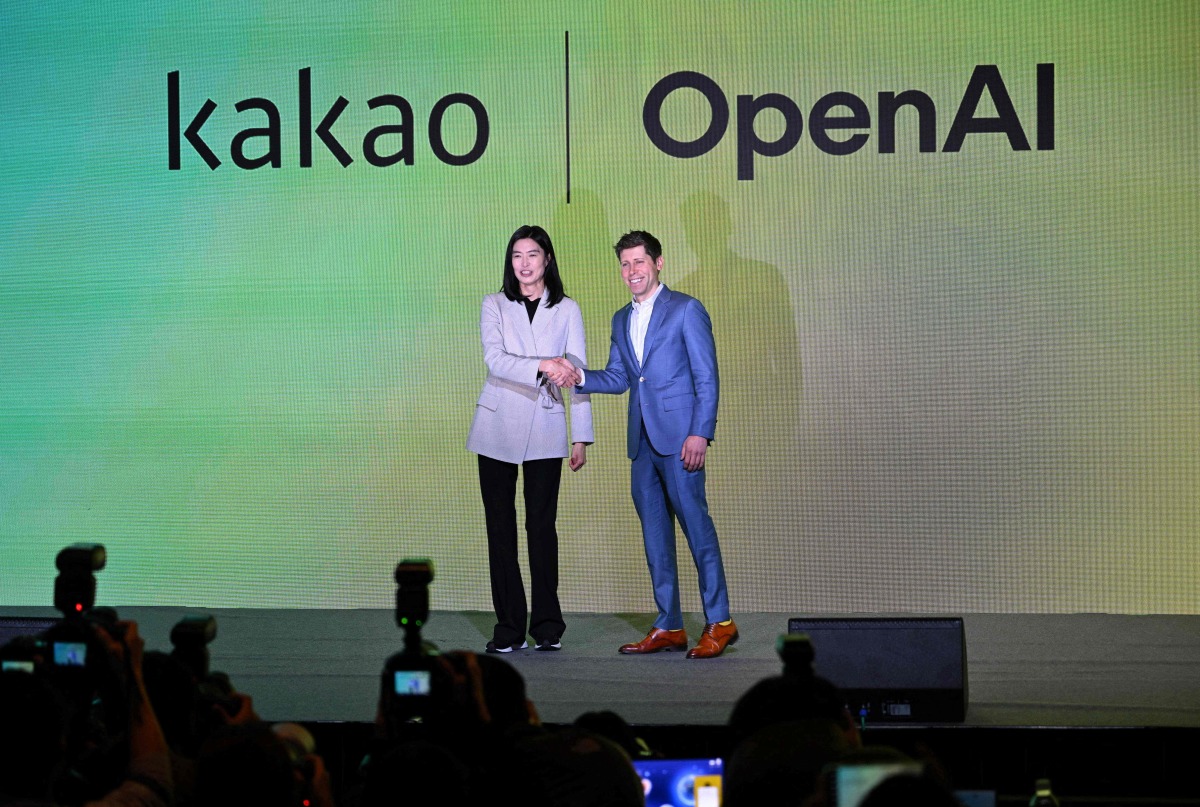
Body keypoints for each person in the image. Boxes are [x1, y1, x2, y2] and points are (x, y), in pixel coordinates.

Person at [567, 230, 736, 659]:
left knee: (697, 530)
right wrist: (578, 375)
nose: (631, 271)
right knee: (655, 538)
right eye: (625, 264)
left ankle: (720, 621)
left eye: (639, 262)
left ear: (658, 263)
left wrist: (700, 432)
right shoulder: (619, 319)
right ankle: (669, 625)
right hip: (641, 443)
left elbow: (706, 376)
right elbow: (620, 377)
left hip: (681, 441)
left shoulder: (686, 309)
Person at [466, 225, 593, 654]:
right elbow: (495, 359)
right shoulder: (494, 304)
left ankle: (547, 626)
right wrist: (544, 364)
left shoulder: (568, 308)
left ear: (547, 259)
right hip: (496, 425)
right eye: (517, 255)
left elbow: (577, 373)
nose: (524, 263)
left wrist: (582, 437)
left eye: (533, 254)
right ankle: (509, 628)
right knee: (500, 528)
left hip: (546, 422)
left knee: (541, 527)